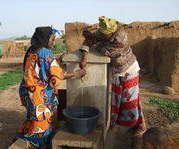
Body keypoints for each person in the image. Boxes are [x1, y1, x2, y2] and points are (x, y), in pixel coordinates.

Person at [79, 16, 145, 148]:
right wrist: (84, 57)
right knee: (118, 99)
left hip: (129, 68)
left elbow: (106, 51)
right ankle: (127, 124)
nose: (103, 35)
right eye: (102, 33)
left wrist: (94, 40)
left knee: (130, 100)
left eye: (106, 34)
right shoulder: (103, 33)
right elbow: (89, 42)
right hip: (117, 70)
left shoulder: (121, 37)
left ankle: (135, 126)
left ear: (112, 31)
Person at [17, 26, 85, 149]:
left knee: (33, 117)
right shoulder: (45, 53)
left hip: (28, 92)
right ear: (45, 39)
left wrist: (58, 59)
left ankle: (32, 138)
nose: (54, 42)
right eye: (52, 38)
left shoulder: (32, 50)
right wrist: (77, 73)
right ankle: (37, 144)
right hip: (39, 95)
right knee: (41, 123)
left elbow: (42, 68)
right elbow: (58, 74)